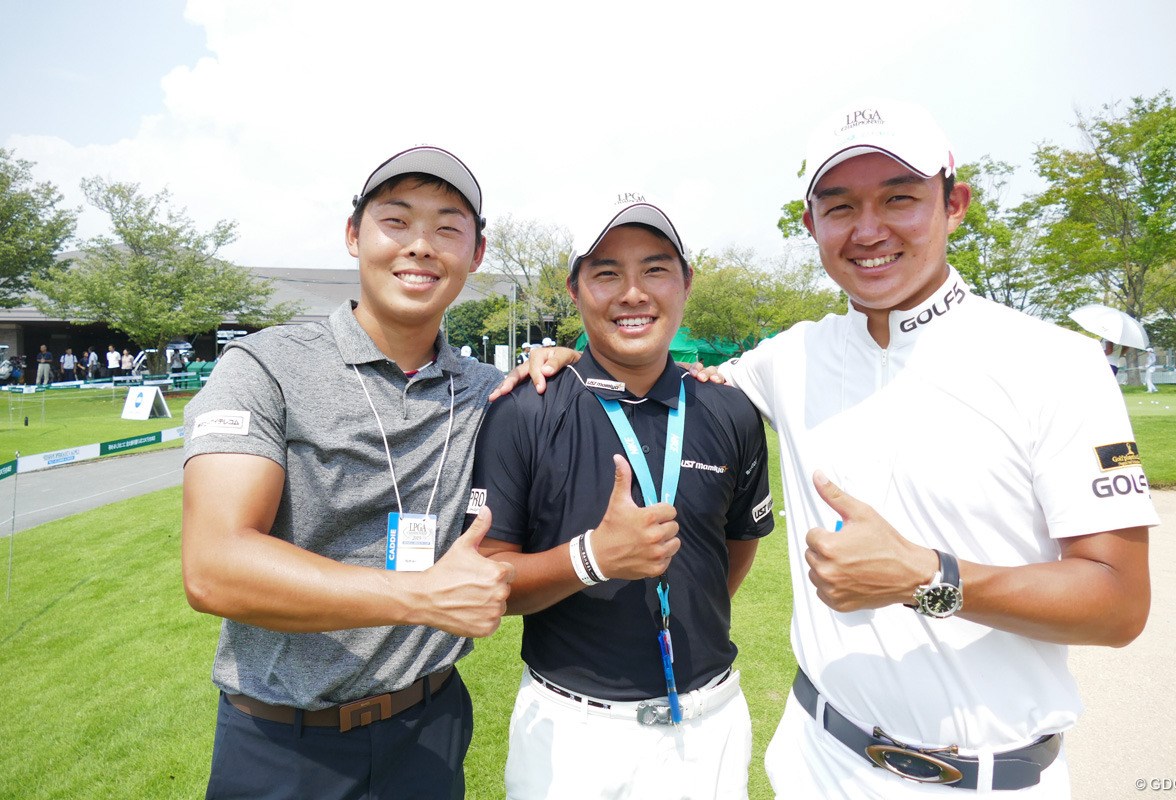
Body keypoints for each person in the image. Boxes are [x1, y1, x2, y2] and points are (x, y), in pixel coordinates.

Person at [695, 99, 1156, 798]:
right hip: (816, 762)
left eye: (900, 198)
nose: (869, 230)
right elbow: (670, 383)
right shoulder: (790, 358)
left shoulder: (1057, 364)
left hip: (993, 779)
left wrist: (926, 578)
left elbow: (1119, 602)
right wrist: (554, 365)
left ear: (955, 204)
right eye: (841, 206)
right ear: (810, 224)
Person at [181, 145, 518, 800]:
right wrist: (418, 595)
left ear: (476, 254)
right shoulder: (264, 367)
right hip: (282, 744)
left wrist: (560, 363)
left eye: (448, 226)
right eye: (397, 220)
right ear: (353, 235)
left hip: (431, 729)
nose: (420, 245)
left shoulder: (493, 392)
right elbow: (214, 565)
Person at [471, 195, 774, 799]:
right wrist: (594, 560)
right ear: (576, 289)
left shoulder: (729, 408)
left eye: (655, 269)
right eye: (607, 272)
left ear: (686, 283)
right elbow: (486, 577)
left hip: (708, 723)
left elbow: (734, 549)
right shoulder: (526, 409)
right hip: (572, 733)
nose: (633, 293)